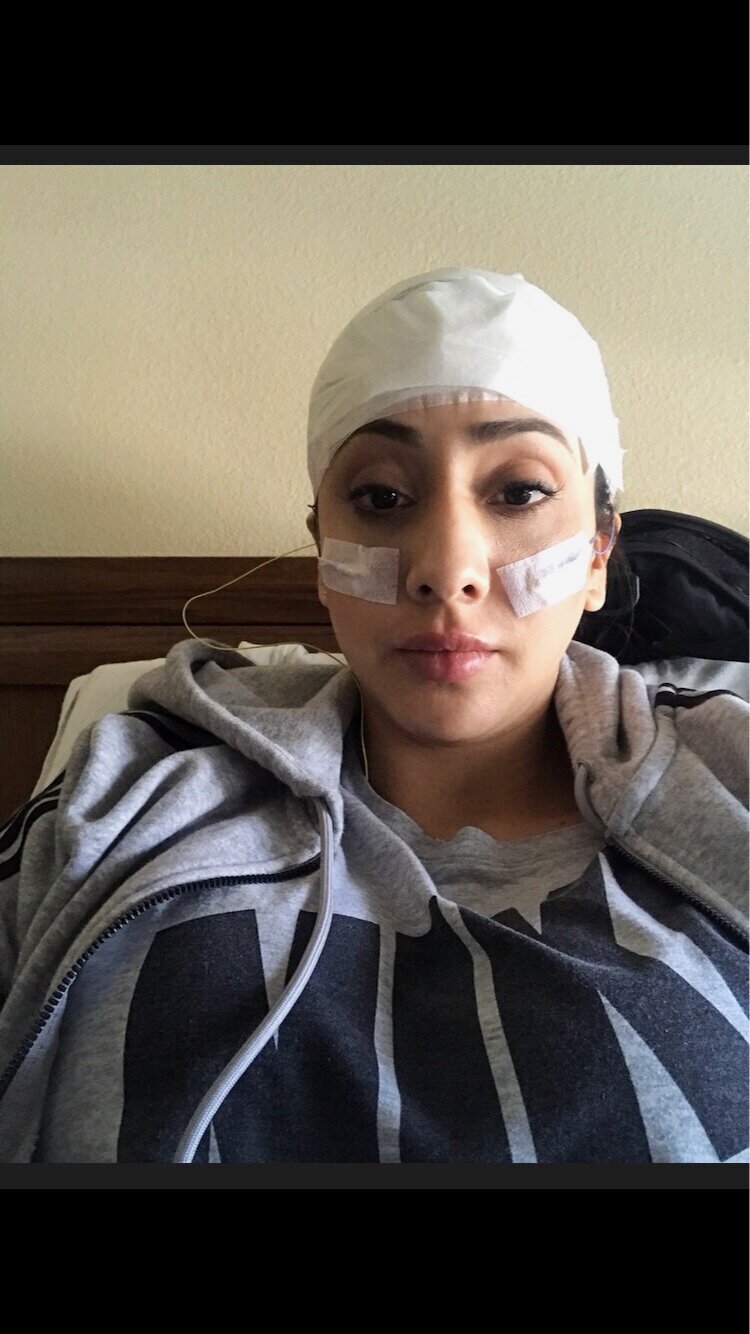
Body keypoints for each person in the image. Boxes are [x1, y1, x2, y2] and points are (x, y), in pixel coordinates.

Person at [0, 268, 747, 1165]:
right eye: (382, 499)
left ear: (597, 554)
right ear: (323, 552)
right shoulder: (132, 788)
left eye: (518, 492)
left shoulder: (730, 767)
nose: (445, 570)